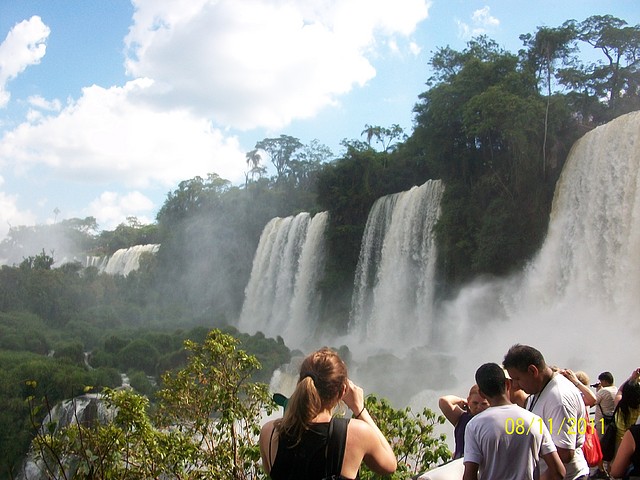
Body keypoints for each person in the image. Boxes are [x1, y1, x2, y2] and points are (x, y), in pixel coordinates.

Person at [259, 347, 397, 479]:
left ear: (300, 383)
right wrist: (359, 409)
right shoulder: (356, 433)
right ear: (343, 391)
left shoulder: (269, 432)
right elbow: (390, 466)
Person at [462, 362, 566, 480]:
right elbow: (559, 472)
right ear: (508, 384)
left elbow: (470, 475)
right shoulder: (535, 420)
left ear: (481, 393)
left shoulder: (475, 425)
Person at [503, 344, 590, 480]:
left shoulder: (558, 398)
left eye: (517, 379)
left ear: (533, 371)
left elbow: (565, 453)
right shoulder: (540, 390)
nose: (515, 385)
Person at [439, 384, 490, 459]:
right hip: (459, 466)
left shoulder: (492, 421)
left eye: (484, 404)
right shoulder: (461, 418)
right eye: (475, 403)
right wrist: (461, 400)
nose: (479, 407)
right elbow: (443, 401)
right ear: (469, 401)